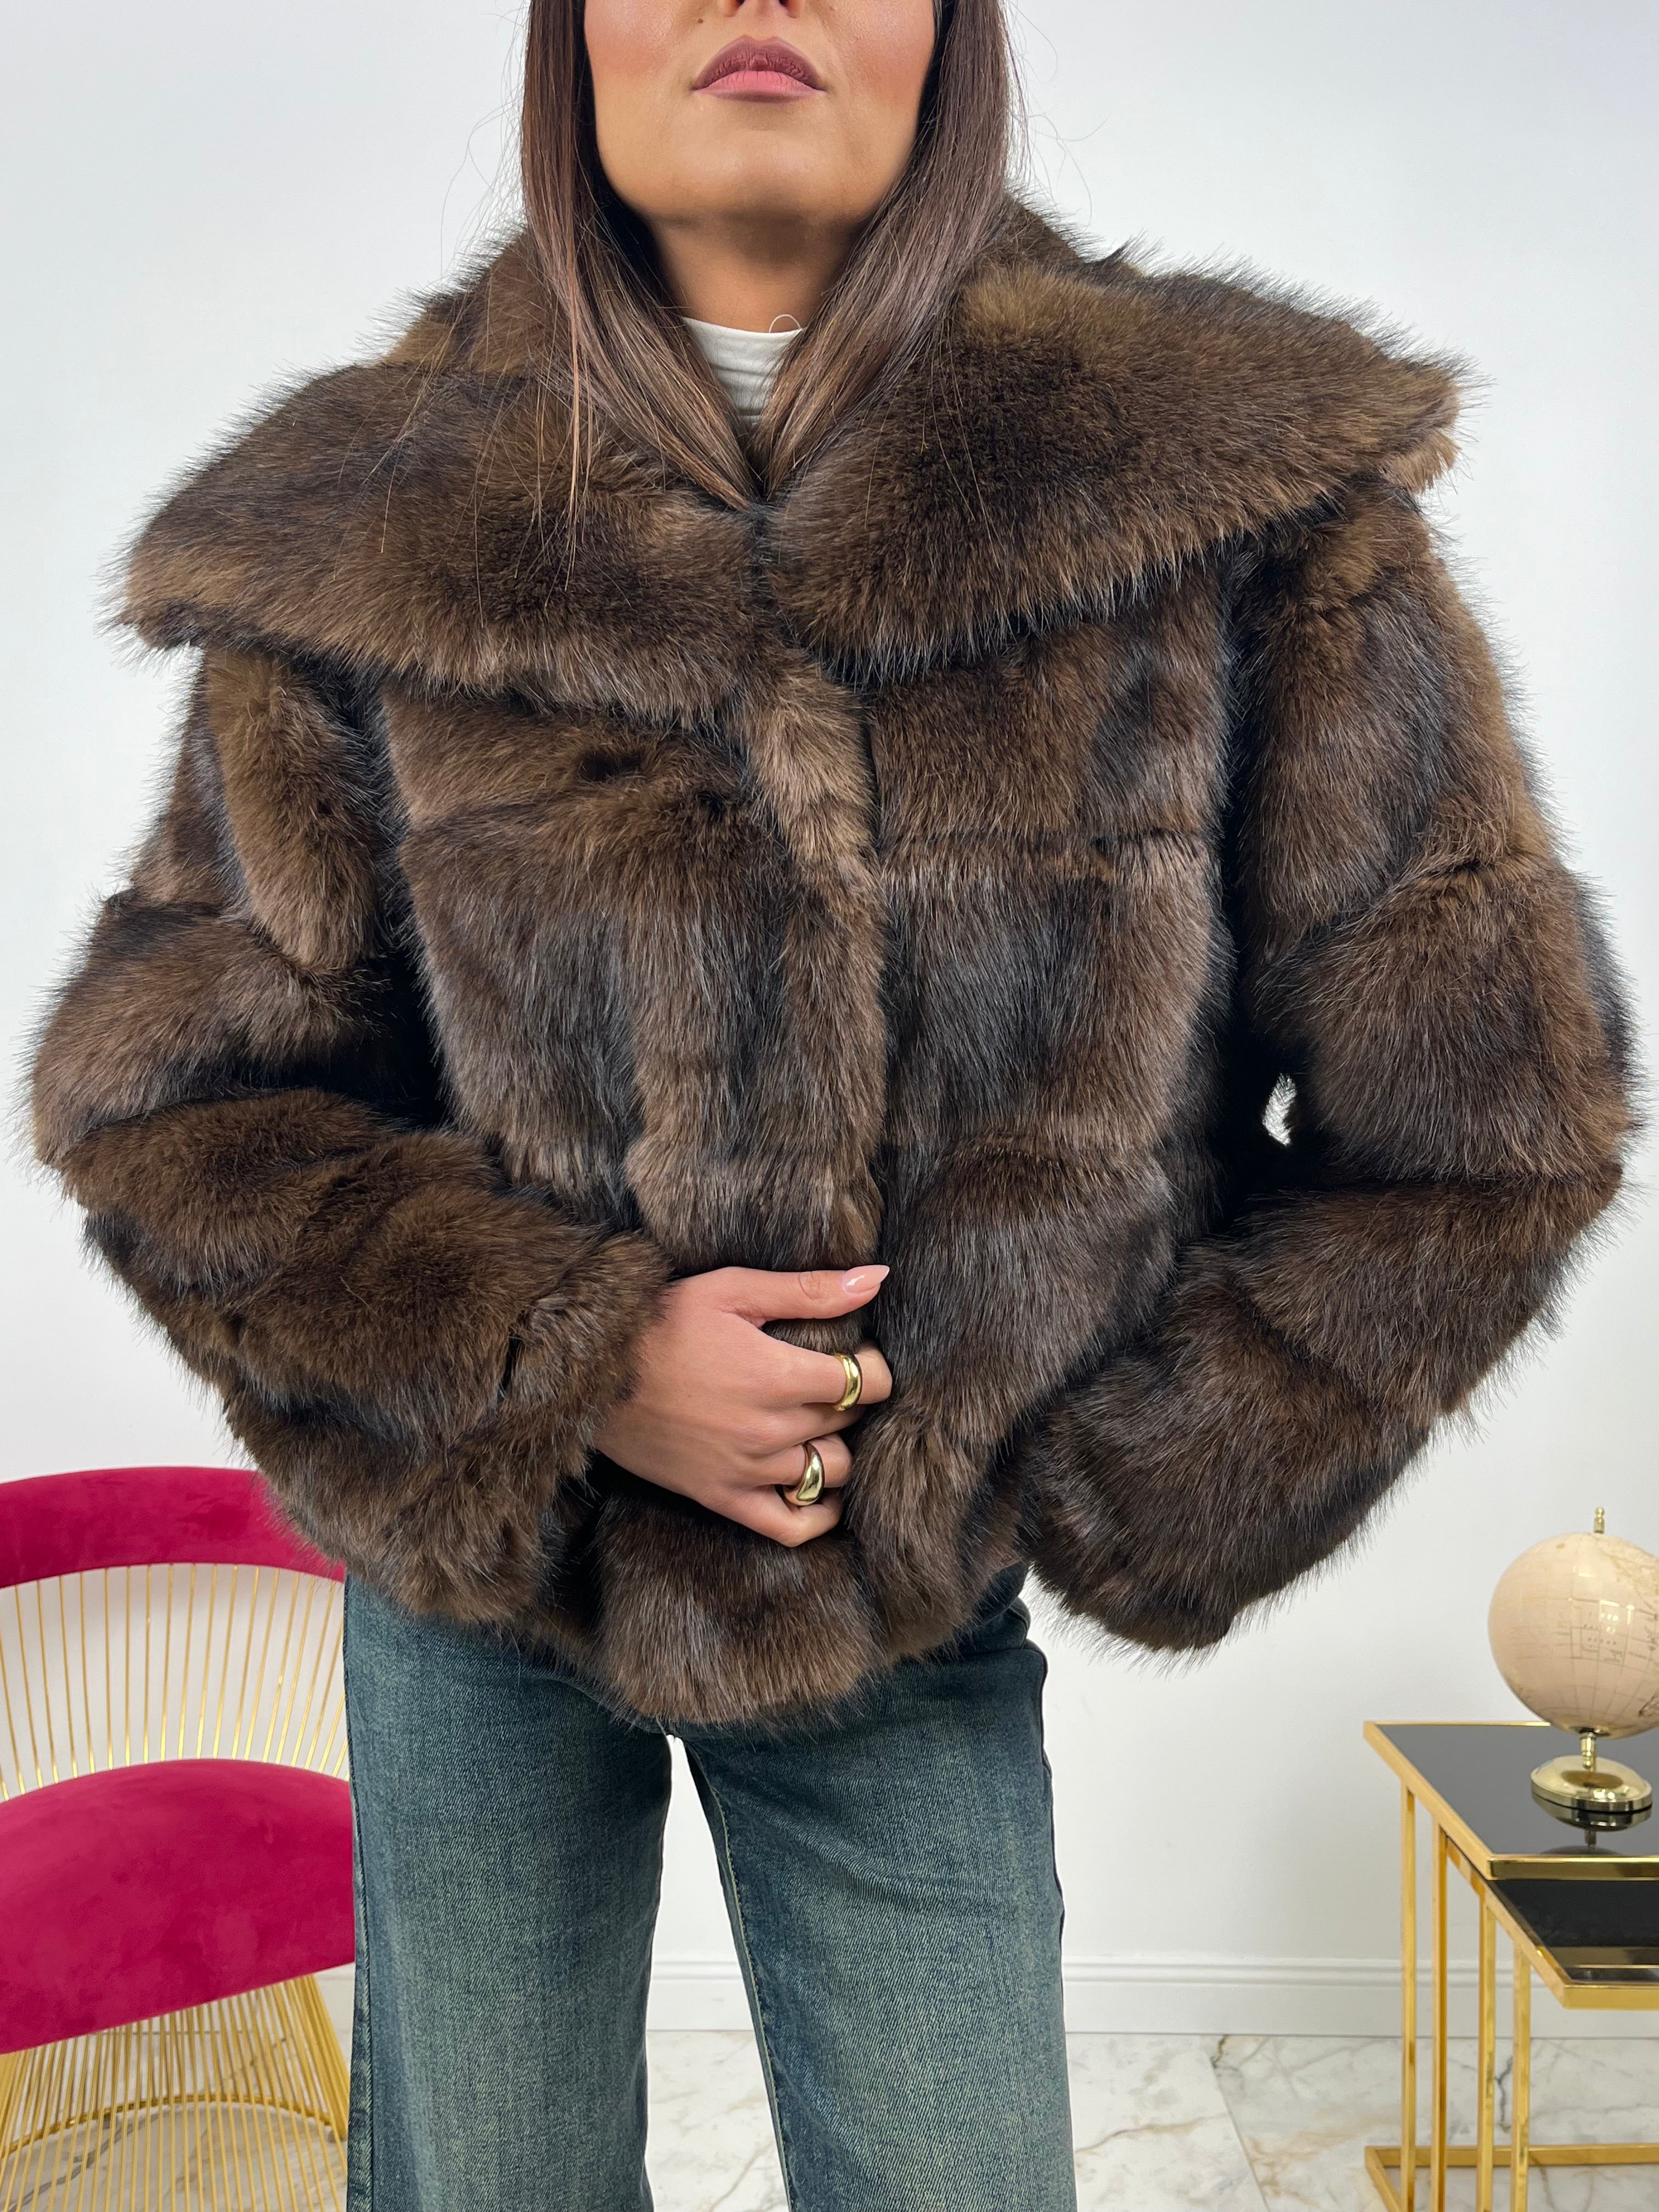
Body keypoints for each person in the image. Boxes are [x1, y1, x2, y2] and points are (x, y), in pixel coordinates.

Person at [28, 1, 1635, 2206]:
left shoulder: (1224, 494)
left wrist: (1095, 1468)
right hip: (481, 1578)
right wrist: (568, 1359)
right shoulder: (363, 525)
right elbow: (175, 1100)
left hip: (907, 1606)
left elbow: (1490, 1116)